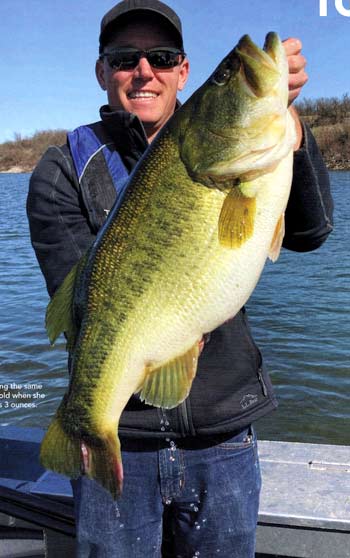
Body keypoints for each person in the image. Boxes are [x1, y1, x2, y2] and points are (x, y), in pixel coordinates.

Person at [27, 1, 333, 556]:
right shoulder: (63, 167)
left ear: (183, 72)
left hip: (224, 440)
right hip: (123, 446)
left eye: (162, 57)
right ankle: (84, 424)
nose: (144, 70)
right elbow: (82, 306)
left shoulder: (240, 153)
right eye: (125, 59)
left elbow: (311, 233)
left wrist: (291, 128)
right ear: (102, 72)